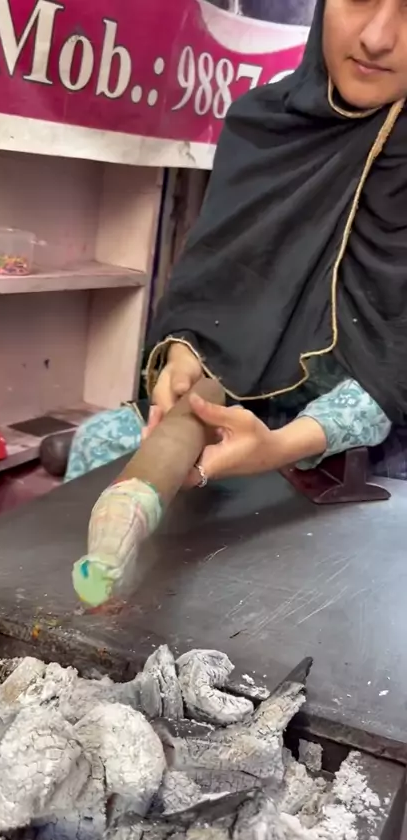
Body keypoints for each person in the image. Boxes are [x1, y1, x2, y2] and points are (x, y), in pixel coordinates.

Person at [66, 0, 407, 487]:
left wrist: (281, 446)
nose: (376, 38)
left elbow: (393, 362)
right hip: (240, 411)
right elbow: (214, 287)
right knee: (100, 442)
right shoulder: (261, 126)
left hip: (375, 448)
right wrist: (187, 360)